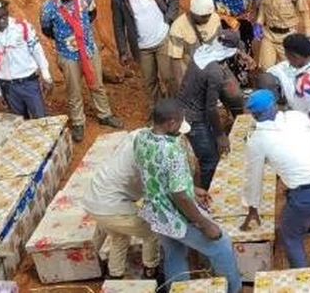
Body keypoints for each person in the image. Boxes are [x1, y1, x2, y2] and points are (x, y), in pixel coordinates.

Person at [133, 98, 241, 292]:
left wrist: (191, 188)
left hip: (156, 213)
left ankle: (177, 288)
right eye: (180, 122)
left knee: (174, 252)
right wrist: (203, 223)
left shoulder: (141, 138)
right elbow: (180, 195)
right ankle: (235, 289)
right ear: (171, 123)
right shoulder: (172, 150)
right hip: (175, 215)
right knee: (221, 244)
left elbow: (160, 176)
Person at [240, 90, 310, 284]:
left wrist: (252, 206)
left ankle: (302, 284)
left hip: (304, 196)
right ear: (275, 104)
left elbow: (254, 177)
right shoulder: (297, 116)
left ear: (253, 115)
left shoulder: (257, 140)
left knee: (291, 236)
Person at [40, 0, 123, 142]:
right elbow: (46, 29)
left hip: (89, 50)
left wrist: (81, 33)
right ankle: (78, 122)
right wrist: (67, 39)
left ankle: (104, 114)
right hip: (67, 54)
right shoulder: (48, 7)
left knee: (97, 84)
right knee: (74, 90)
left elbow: (92, 14)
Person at [83, 127, 163, 280]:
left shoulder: (137, 134)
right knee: (151, 230)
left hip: (95, 200)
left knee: (119, 236)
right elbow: (155, 189)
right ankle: (151, 271)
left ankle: (115, 274)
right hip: (111, 205)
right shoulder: (151, 154)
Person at [178, 31, 244, 189]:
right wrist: (220, 135)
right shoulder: (214, 71)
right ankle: (206, 196)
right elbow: (211, 107)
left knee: (209, 153)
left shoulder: (201, 51)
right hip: (195, 118)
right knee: (210, 160)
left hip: (184, 107)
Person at [111, 0, 180, 105]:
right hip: (141, 47)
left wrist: (169, 19)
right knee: (149, 82)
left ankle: (175, 108)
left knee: (168, 77)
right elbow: (118, 25)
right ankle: (157, 111)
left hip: (162, 39)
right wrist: (123, 51)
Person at [0, 0, 53, 119]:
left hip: (28, 83)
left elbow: (37, 50)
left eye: (3, 16)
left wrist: (46, 75)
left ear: (7, 13)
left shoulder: (22, 27)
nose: (1, 20)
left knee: (40, 118)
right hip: (9, 87)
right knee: (19, 122)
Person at [205, 0, 260, 86]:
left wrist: (254, 18)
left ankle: (243, 81)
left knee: (244, 47)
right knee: (223, 48)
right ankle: (226, 82)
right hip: (221, 18)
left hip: (242, 19)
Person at [167, 0, 223, 86]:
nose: (207, 18)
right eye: (203, 16)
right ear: (193, 12)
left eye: (209, 15)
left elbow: (221, 40)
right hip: (192, 73)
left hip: (213, 68)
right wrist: (181, 85)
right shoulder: (178, 27)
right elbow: (175, 60)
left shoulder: (215, 17)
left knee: (235, 95)